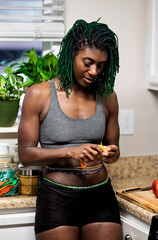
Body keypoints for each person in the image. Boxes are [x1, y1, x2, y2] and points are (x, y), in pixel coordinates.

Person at [18, 19, 123, 240]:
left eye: (101, 65)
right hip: (57, 198)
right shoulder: (39, 95)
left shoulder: (108, 97)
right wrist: (69, 152)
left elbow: (114, 152)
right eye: (88, 62)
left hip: (100, 195)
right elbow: (26, 154)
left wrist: (113, 152)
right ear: (71, 54)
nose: (95, 71)